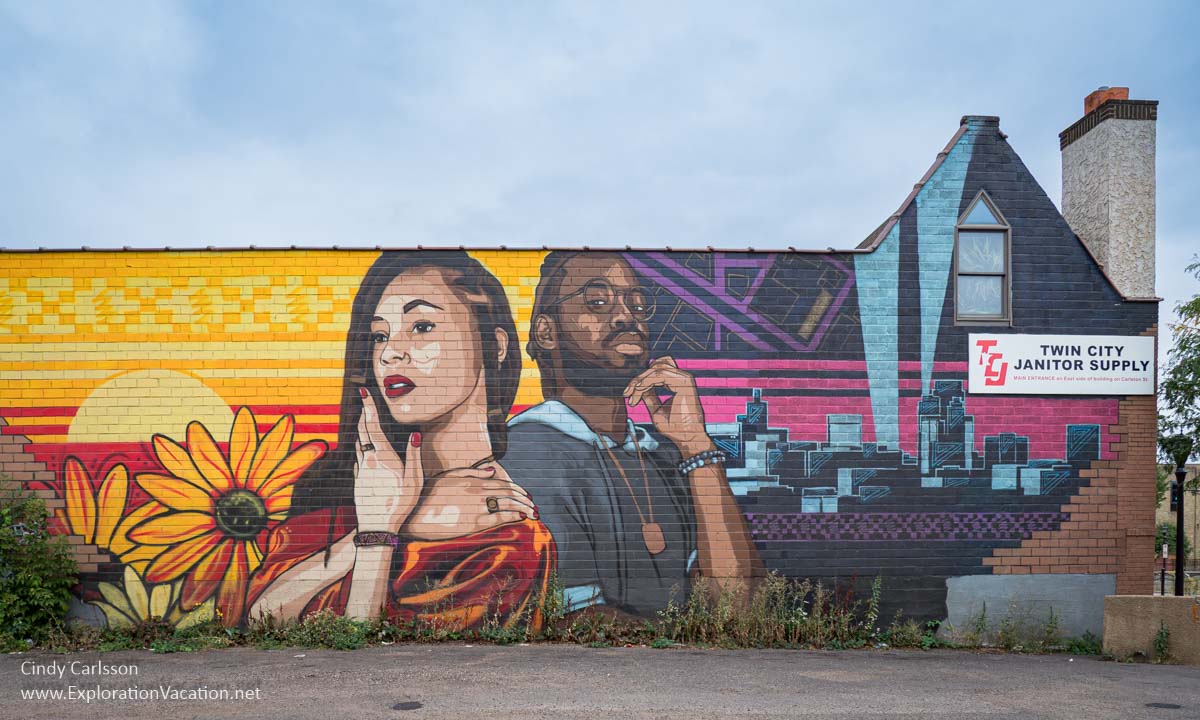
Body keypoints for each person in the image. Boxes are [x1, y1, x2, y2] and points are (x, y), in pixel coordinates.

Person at [248, 251, 554, 628]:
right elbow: (259, 620)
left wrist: (385, 530)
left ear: (496, 345)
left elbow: (362, 638)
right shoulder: (332, 485)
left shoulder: (506, 528)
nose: (390, 353)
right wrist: (393, 523)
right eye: (379, 335)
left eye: (422, 326)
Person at [503, 251, 761, 616]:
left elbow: (739, 606)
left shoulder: (667, 454)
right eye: (597, 302)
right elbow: (580, 621)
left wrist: (695, 445)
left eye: (638, 306)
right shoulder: (527, 450)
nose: (627, 317)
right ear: (546, 332)